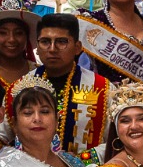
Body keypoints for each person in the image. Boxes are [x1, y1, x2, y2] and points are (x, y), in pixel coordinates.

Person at [33, 12, 109, 156]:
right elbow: (2, 135)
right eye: (45, 42)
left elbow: (115, 138)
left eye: (61, 42)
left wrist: (82, 161)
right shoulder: (21, 86)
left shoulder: (101, 88)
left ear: (77, 47)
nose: (52, 49)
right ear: (37, 46)